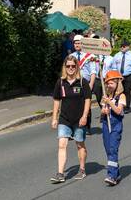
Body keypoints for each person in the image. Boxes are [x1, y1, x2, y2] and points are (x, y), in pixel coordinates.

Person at [50, 55, 92, 183]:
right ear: (65, 67)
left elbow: (88, 99)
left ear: (77, 67)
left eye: (73, 66)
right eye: (68, 66)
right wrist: (54, 118)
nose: (70, 68)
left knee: (80, 144)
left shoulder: (82, 82)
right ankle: (60, 173)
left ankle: (82, 169)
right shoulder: (61, 82)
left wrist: (85, 116)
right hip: (65, 119)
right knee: (62, 144)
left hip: (79, 119)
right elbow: (57, 100)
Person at [100, 70, 126, 186]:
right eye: (107, 83)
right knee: (108, 150)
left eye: (111, 83)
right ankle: (117, 173)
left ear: (117, 84)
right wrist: (104, 110)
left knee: (113, 149)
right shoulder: (105, 96)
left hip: (116, 125)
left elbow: (119, 111)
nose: (109, 85)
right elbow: (102, 112)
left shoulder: (121, 96)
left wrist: (109, 103)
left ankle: (111, 176)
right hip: (106, 124)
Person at [71, 35, 96, 134]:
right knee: (75, 105)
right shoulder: (71, 56)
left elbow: (93, 72)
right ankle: (76, 127)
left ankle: (87, 126)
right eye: (75, 43)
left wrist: (91, 85)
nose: (77, 45)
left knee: (86, 104)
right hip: (75, 83)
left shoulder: (90, 56)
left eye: (79, 43)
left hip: (86, 83)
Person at [111, 40, 131, 111]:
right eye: (121, 46)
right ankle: (118, 105)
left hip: (129, 75)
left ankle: (126, 107)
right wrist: (117, 75)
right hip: (119, 76)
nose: (122, 47)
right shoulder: (117, 55)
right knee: (118, 91)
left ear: (128, 47)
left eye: (123, 46)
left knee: (127, 90)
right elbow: (114, 67)